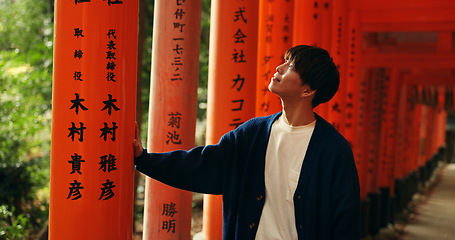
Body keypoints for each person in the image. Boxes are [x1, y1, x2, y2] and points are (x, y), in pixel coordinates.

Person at [133, 45, 361, 240]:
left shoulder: (333, 150)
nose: (279, 68)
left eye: (290, 66)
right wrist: (144, 159)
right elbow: (202, 165)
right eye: (284, 62)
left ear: (308, 90)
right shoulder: (252, 134)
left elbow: (346, 220)